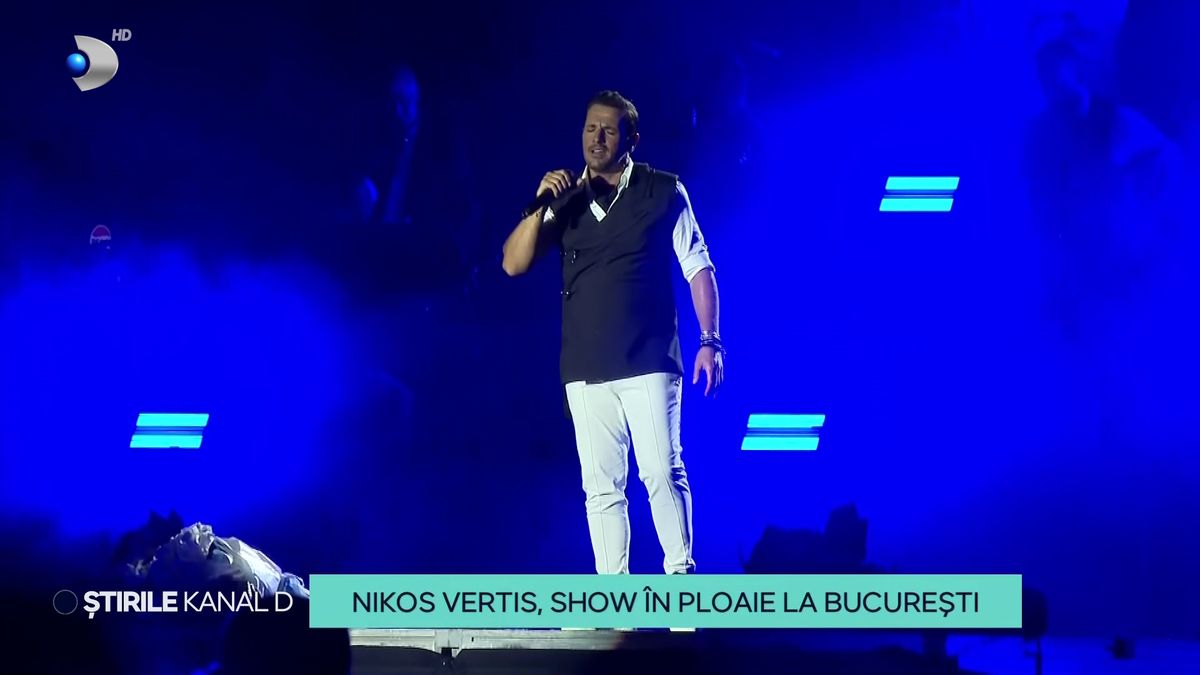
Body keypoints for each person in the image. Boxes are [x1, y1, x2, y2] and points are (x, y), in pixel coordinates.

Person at [501, 90, 724, 575]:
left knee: (661, 470)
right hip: (586, 366)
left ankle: (681, 581)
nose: (596, 139)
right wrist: (538, 206)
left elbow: (698, 266)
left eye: (608, 130)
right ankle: (613, 597)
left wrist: (709, 341)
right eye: (590, 129)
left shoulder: (662, 190)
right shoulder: (565, 201)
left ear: (631, 139)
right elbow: (513, 264)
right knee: (602, 488)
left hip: (649, 358)